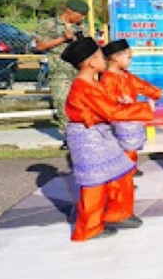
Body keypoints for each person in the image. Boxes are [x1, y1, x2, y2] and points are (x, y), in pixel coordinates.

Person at [60, 37, 154, 241]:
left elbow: (107, 103)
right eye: (101, 57)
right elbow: (111, 112)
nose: (105, 59)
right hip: (88, 138)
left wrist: (121, 101)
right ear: (91, 63)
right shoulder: (84, 86)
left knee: (120, 172)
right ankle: (89, 228)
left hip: (99, 134)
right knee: (94, 182)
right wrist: (143, 109)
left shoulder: (91, 83)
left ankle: (117, 214)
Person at [99, 39, 163, 222]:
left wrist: (156, 93)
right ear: (114, 58)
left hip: (131, 119)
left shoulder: (126, 75)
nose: (131, 60)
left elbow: (141, 85)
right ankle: (121, 188)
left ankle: (127, 179)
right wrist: (120, 101)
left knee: (131, 149)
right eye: (128, 57)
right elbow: (108, 101)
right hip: (120, 121)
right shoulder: (108, 78)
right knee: (123, 155)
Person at [34, 0, 90, 145]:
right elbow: (39, 46)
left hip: (80, 71)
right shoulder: (48, 24)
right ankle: (69, 137)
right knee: (62, 102)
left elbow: (90, 47)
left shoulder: (82, 27)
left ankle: (83, 134)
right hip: (59, 71)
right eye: (81, 14)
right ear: (69, 11)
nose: (82, 18)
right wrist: (63, 38)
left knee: (82, 104)